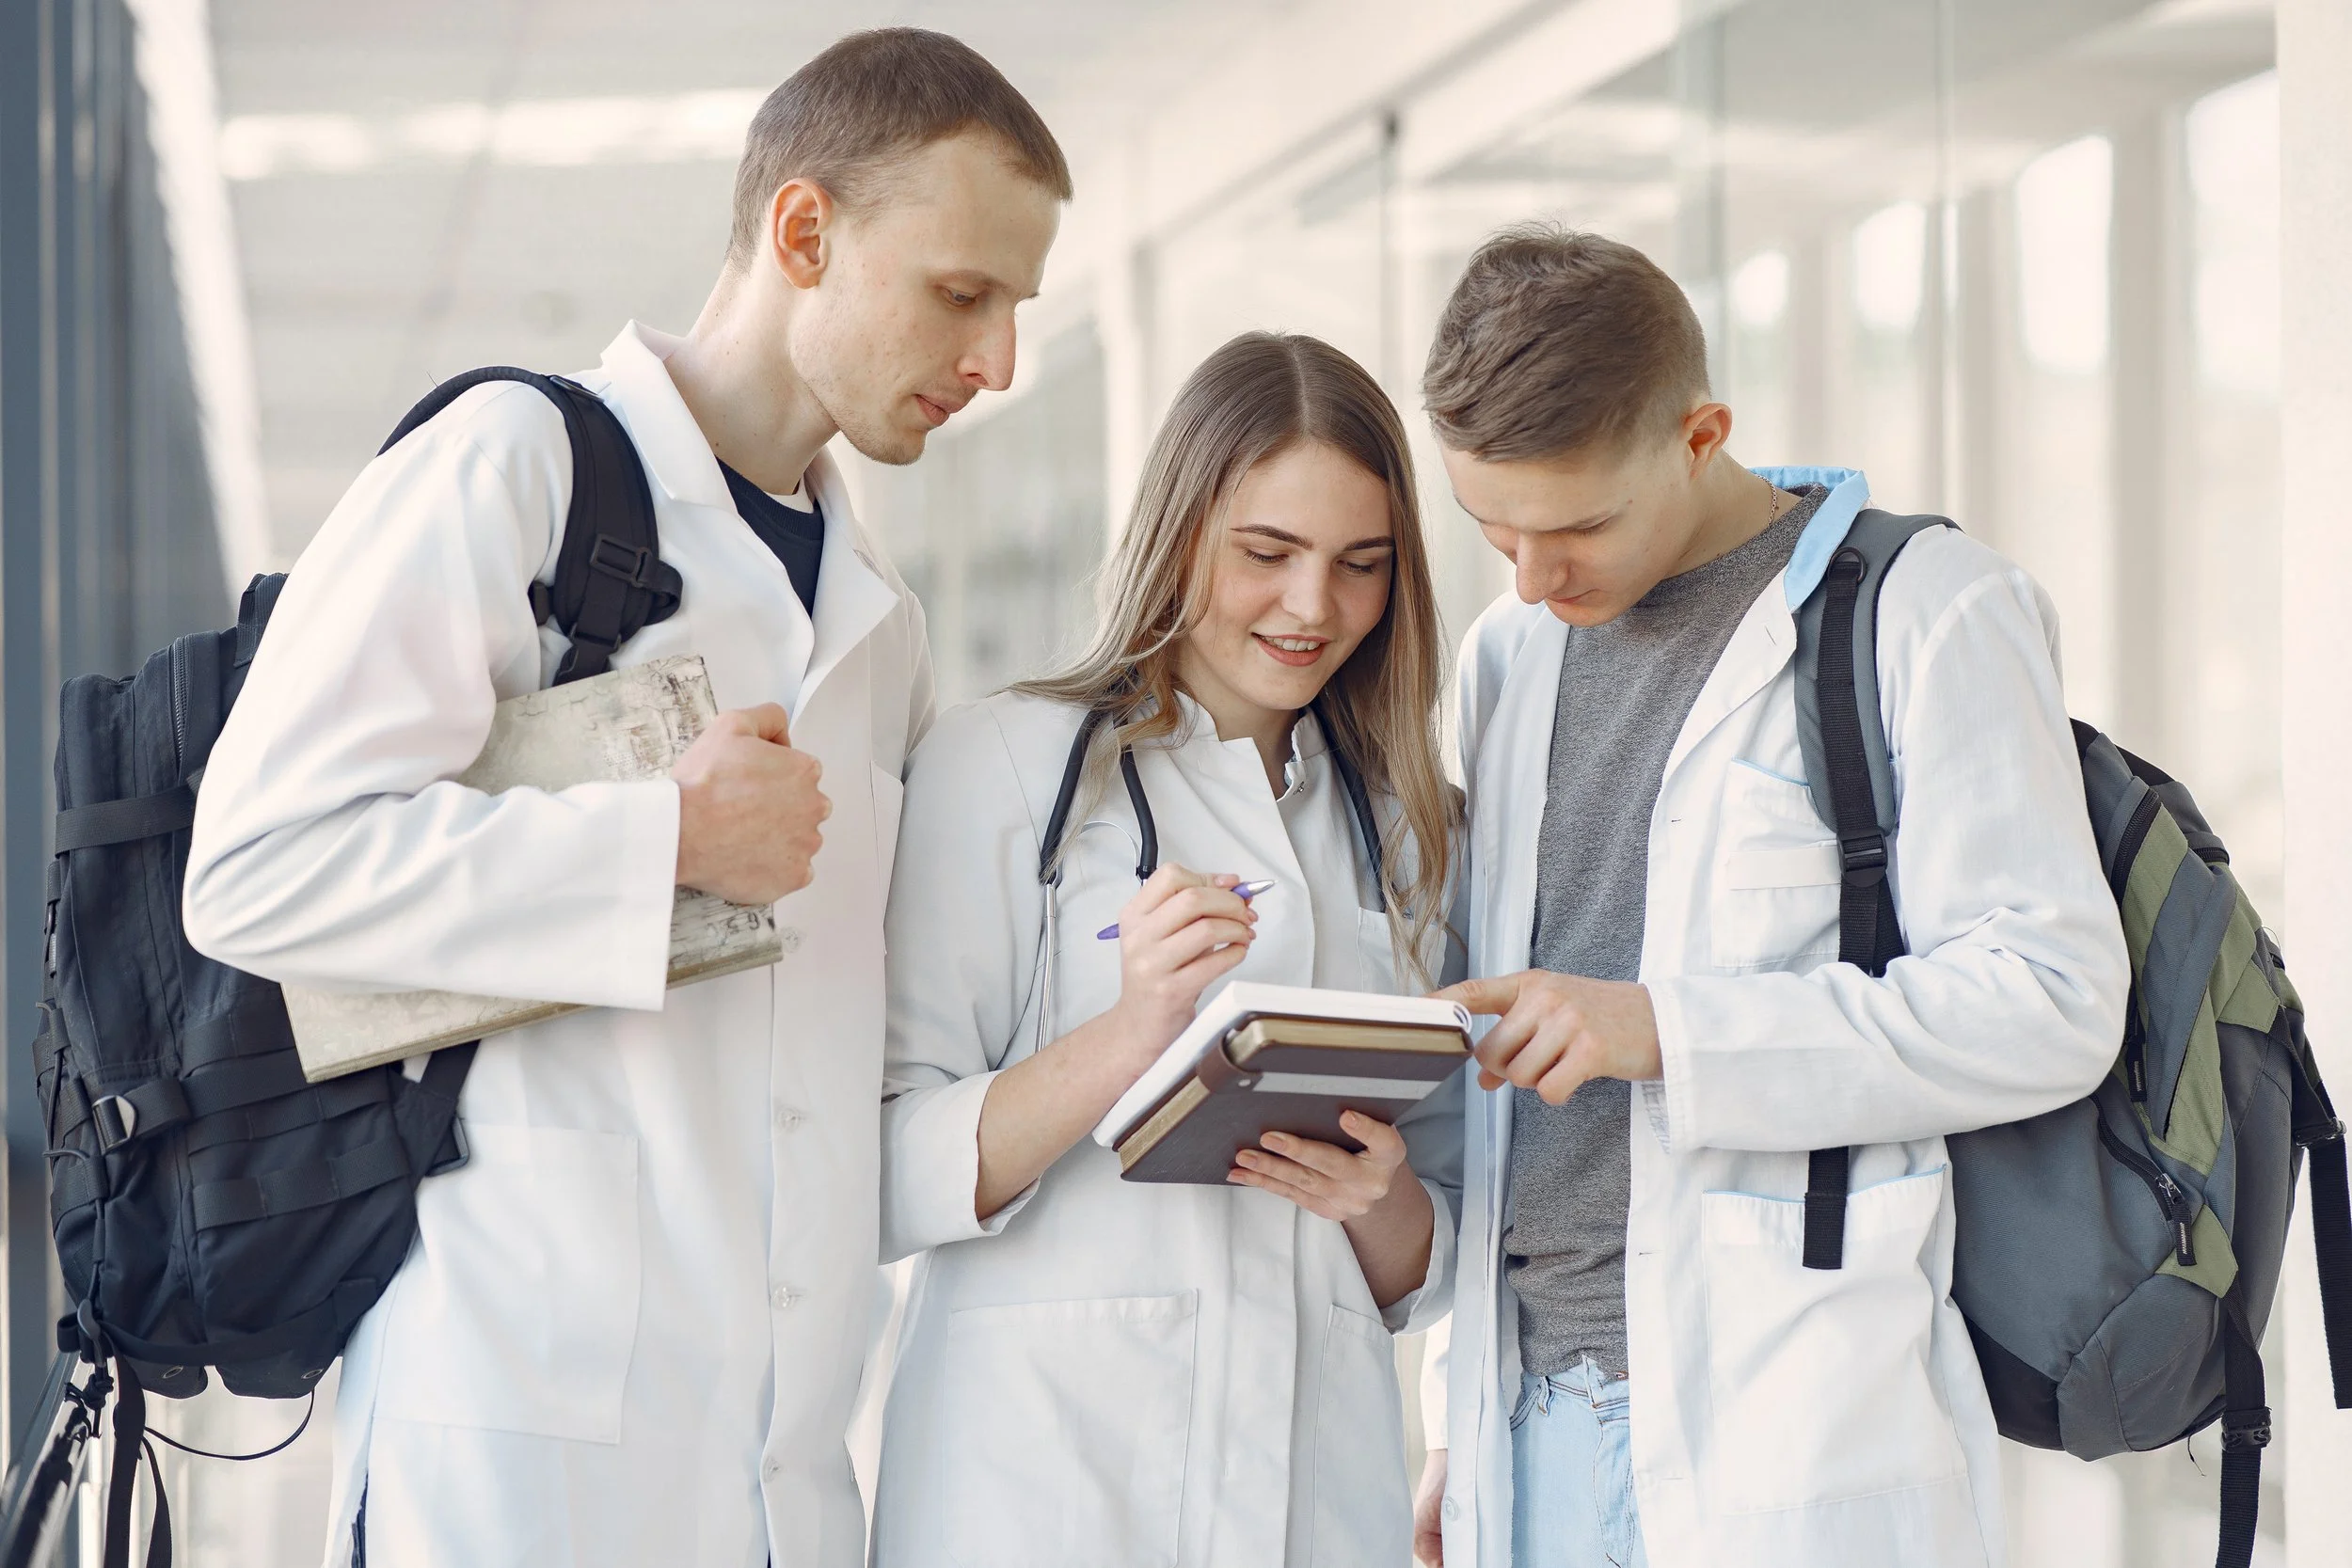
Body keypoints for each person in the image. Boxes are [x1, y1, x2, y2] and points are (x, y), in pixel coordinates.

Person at [181, 30, 1068, 1568]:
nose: (995, 363)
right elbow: (259, 867)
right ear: (805, 233)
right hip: (518, 1452)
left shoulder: (882, 622)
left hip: (785, 1482)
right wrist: (661, 844)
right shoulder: (514, 465)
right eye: (962, 293)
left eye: (1017, 312)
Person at [1416, 227, 2130, 1568]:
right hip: (1525, 1429)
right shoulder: (1507, 656)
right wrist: (1455, 1411)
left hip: (1788, 1434)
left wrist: (1670, 1033)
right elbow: (1497, 1067)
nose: (1531, 577)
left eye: (1576, 526)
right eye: (1492, 528)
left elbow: (2053, 996)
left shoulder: (1925, 610)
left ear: (1701, 435)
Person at [869, 331, 1465, 1568]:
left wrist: (1384, 1198)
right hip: (1043, 1485)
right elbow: (877, 1166)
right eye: (1267, 553)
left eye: (1363, 564)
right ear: (1179, 532)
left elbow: (1430, 1252)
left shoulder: (1408, 824)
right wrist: (1131, 1036)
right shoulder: (1005, 768)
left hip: (1317, 1489)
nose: (1314, 608)